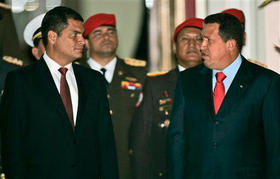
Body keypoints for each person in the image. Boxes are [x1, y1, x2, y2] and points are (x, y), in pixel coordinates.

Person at [0, 6, 118, 179]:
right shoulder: (20, 81)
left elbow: (105, 145)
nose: (82, 41)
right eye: (74, 35)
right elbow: (13, 147)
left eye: (82, 35)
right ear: (52, 37)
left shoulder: (94, 81)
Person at [167, 13, 280, 179]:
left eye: (208, 40)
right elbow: (177, 139)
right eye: (202, 39)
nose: (202, 46)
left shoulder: (265, 82)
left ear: (230, 44)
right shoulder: (188, 80)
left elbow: (275, 147)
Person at [129, 18, 203, 179]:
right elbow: (140, 141)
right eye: (185, 39)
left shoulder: (219, 82)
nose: (192, 44)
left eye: (198, 39)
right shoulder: (156, 85)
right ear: (175, 47)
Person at [82, 13, 147, 179]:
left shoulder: (139, 74)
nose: (106, 37)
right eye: (98, 33)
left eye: (111, 32)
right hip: (88, 165)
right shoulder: (75, 74)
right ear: (86, 43)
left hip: (129, 167)